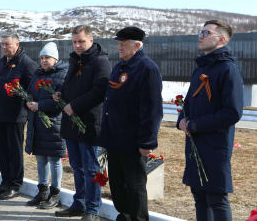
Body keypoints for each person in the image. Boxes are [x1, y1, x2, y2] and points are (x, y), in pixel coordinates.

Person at [177, 20, 243, 221]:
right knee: (199, 195)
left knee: (216, 197)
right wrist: (181, 120)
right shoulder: (200, 68)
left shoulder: (227, 69)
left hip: (215, 143)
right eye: (200, 31)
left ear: (222, 39)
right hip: (195, 141)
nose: (201, 35)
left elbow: (232, 112)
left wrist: (195, 125)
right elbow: (189, 101)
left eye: (206, 32)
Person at [100, 26, 163, 221]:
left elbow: (152, 110)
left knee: (134, 187)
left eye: (123, 44)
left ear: (137, 45)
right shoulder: (119, 66)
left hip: (133, 141)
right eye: (118, 44)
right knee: (118, 186)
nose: (119, 48)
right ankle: (125, 216)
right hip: (115, 139)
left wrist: (147, 142)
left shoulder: (147, 69)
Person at [55, 25, 111, 221]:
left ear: (91, 40)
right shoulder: (75, 60)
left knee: (91, 168)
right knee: (76, 166)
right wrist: (61, 93)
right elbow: (70, 84)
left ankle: (93, 208)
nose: (77, 45)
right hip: (71, 122)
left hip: (89, 123)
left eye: (81, 41)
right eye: (74, 42)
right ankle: (79, 204)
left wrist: (75, 106)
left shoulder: (100, 61)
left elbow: (99, 91)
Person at [0, 33, 37, 200]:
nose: (4, 47)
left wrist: (25, 103)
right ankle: (5, 182)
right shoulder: (2, 62)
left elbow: (34, 88)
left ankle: (15, 185)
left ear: (17, 44)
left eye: (7, 44)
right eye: (2, 44)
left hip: (15, 115)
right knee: (2, 151)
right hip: (0, 114)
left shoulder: (26, 63)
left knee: (14, 151)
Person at [25, 42, 67, 209]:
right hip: (37, 124)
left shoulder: (62, 75)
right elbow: (29, 93)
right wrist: (27, 102)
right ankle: (42, 191)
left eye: (47, 58)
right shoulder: (37, 75)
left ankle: (55, 193)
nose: (43, 60)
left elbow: (60, 102)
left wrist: (39, 106)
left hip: (53, 125)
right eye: (42, 58)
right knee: (40, 158)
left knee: (54, 160)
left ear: (55, 59)